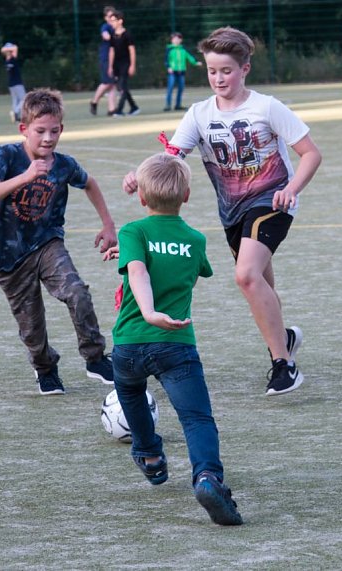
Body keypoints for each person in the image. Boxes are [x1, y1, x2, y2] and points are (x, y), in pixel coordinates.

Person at [123, 27, 322, 396]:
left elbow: (311, 154)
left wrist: (291, 190)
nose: (218, 78)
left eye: (226, 71)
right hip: (232, 211)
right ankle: (285, 339)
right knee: (261, 284)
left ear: (245, 68)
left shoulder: (267, 107)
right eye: (213, 71)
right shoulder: (199, 114)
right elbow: (172, 157)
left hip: (271, 200)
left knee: (245, 276)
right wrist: (140, 174)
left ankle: (283, 365)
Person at [105, 152, 242, 526]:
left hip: (131, 342)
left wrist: (146, 307)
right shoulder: (195, 240)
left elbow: (140, 273)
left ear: (142, 198)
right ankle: (207, 478)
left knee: (131, 393)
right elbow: (194, 269)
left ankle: (149, 454)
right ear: (186, 195)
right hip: (176, 343)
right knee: (197, 419)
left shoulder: (133, 232)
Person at [0, 88, 117, 395]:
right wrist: (25, 177)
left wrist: (108, 224)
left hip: (47, 244)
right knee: (32, 325)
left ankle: (95, 358)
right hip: (7, 256)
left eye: (54, 131)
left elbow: (90, 183)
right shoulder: (7, 155)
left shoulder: (64, 164)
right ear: (23, 129)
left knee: (77, 292)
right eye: (40, 131)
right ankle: (45, 368)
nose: (47, 138)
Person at [108, 10, 140, 117]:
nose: (111, 23)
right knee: (122, 87)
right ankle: (134, 107)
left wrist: (132, 65)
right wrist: (110, 66)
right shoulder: (112, 35)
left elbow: (132, 51)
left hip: (125, 63)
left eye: (114, 20)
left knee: (122, 86)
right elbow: (112, 50)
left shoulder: (127, 35)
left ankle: (119, 110)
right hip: (116, 64)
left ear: (120, 21)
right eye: (111, 21)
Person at [89, 6, 117, 117]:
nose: (111, 18)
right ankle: (94, 101)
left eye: (113, 16)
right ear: (105, 17)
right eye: (109, 16)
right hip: (106, 57)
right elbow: (106, 36)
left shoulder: (117, 27)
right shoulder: (105, 27)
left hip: (115, 58)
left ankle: (112, 109)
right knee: (107, 82)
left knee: (113, 84)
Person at [164, 32, 202, 112]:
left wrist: (195, 62)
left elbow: (189, 57)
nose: (176, 40)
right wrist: (168, 67)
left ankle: (178, 105)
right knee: (170, 88)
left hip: (181, 72)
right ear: (171, 40)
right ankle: (168, 105)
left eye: (178, 39)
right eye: (174, 39)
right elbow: (166, 60)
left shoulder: (183, 49)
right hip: (172, 72)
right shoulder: (169, 49)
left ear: (181, 40)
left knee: (180, 89)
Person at [0, 43, 26, 123]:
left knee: (15, 100)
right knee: (25, 99)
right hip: (17, 83)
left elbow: (3, 50)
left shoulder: (7, 60)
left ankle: (16, 117)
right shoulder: (12, 58)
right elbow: (15, 47)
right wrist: (9, 48)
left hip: (11, 84)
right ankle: (15, 112)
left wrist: (6, 49)